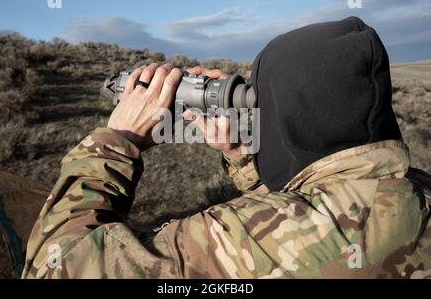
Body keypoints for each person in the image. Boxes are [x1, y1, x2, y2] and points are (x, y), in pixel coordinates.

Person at [22, 17, 431, 279]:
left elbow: (52, 269)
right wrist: (242, 156)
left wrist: (117, 141)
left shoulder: (233, 237)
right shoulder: (414, 191)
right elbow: (307, 223)